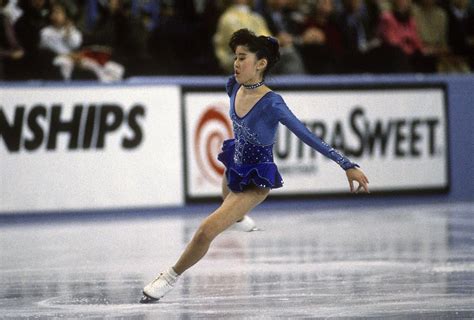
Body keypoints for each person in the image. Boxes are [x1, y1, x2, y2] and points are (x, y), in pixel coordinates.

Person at [140, 28, 370, 304]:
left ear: (260, 64)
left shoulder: (272, 103)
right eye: (235, 57)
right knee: (226, 195)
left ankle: (169, 277)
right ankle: (237, 218)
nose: (236, 63)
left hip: (255, 179)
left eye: (243, 58)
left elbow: (307, 135)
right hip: (235, 163)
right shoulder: (234, 86)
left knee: (205, 231)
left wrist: (347, 164)